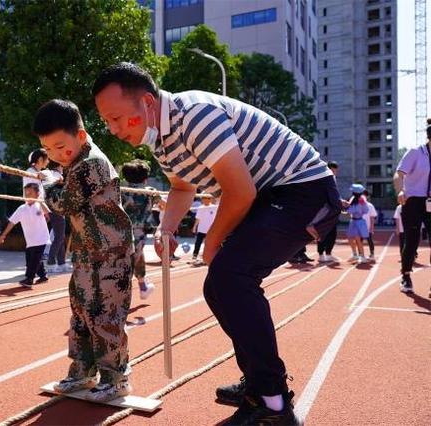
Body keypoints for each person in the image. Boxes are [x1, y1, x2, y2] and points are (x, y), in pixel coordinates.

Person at [94, 62, 340, 425]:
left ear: (146, 102)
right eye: (107, 122)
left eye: (117, 118)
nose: (113, 130)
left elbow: (240, 191)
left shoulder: (193, 115)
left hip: (303, 192)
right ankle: (260, 382)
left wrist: (211, 244)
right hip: (271, 197)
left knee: (228, 277)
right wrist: (167, 229)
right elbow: (181, 187)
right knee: (222, 285)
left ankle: (272, 405)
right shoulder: (160, 139)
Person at [34, 99, 134, 402]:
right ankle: (82, 372)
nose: (54, 155)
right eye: (48, 150)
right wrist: (57, 177)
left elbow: (64, 204)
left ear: (80, 136)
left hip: (110, 254)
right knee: (80, 314)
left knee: (106, 316)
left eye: (60, 146)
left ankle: (116, 378)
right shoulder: (76, 161)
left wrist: (50, 184)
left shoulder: (90, 164)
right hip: (87, 252)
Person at [393, 118, 431, 295]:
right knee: (412, 240)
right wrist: (401, 191)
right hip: (413, 201)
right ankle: (406, 276)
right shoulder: (416, 153)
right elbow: (399, 174)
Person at [0, 183, 51, 287]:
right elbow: (12, 222)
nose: (27, 196)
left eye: (30, 193)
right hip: (30, 241)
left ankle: (29, 279)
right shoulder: (22, 209)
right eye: (26, 194)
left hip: (42, 239)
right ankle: (43, 276)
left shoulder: (39, 205)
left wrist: (40, 201)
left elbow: (48, 215)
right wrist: (3, 235)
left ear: (37, 194)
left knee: (34, 261)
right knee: (32, 259)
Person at [121, 159, 157, 300]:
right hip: (138, 232)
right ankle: (121, 297)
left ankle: (143, 288)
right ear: (146, 178)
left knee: (138, 258)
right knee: (131, 261)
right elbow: (165, 204)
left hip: (121, 231)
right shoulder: (150, 192)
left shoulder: (122, 191)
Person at [45, 161, 68, 273]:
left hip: (52, 208)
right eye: (61, 165)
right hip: (57, 209)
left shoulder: (49, 174)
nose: (63, 167)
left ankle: (61, 262)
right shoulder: (57, 175)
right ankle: (51, 261)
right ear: (58, 165)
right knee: (59, 237)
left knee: (61, 237)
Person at [316, 161, 341, 262]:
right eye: (333, 170)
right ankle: (324, 254)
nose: (335, 172)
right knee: (329, 232)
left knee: (325, 232)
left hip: (326, 209)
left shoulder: (325, 178)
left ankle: (325, 254)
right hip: (328, 210)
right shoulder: (328, 179)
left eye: (335, 171)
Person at [345, 184, 370, 264]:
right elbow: (350, 210)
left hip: (359, 221)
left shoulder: (362, 200)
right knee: (350, 238)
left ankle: (362, 256)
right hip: (353, 221)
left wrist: (362, 204)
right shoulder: (352, 199)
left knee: (358, 239)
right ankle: (355, 254)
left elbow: (365, 210)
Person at [192, 195, 218, 264]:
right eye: (203, 199)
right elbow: (198, 218)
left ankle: (209, 256)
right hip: (201, 229)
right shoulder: (200, 207)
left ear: (210, 199)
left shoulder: (215, 207)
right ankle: (195, 255)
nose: (204, 200)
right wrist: (194, 227)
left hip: (211, 229)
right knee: (198, 243)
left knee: (210, 244)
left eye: (206, 199)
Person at [362, 189, 378, 260]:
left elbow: (372, 217)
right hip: (359, 227)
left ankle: (372, 254)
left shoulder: (370, 206)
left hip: (367, 227)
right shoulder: (358, 205)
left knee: (369, 241)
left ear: (367, 197)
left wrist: (371, 228)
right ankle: (361, 254)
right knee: (359, 241)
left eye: (364, 195)